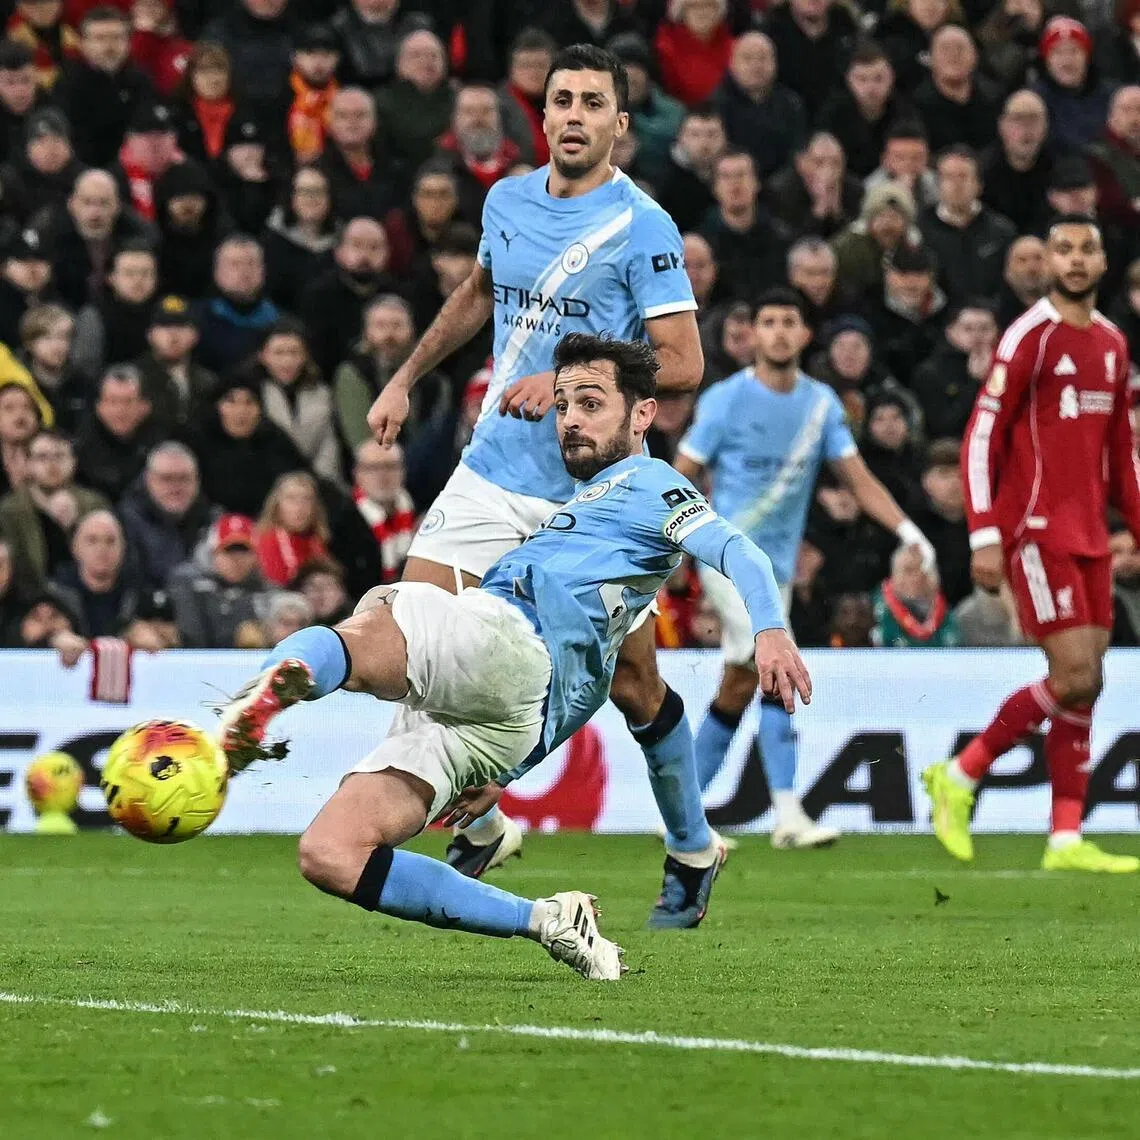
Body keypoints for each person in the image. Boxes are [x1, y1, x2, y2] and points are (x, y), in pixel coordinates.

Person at [216, 332, 807, 979]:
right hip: (514, 714)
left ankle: (254, 705)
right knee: (332, 853)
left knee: (378, 618)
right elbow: (585, 686)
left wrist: (769, 630)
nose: (570, 420)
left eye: (591, 404)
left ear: (642, 414)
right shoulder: (592, 518)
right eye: (564, 406)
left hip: (506, 638)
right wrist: (513, 763)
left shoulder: (648, 482)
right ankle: (548, 920)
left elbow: (738, 550)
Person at [366, 45, 714, 927]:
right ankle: (484, 822)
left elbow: (683, 362)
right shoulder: (506, 202)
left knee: (635, 687)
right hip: (491, 471)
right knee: (409, 640)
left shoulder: (644, 226)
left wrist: (569, 381)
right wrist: (405, 378)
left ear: (619, 124)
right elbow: (479, 294)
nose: (574, 116)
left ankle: (691, 845)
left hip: (592, 496)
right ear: (544, 114)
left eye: (593, 103)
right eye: (562, 100)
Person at [674, 288, 933, 847]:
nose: (779, 331)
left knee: (740, 682)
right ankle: (788, 815)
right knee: (776, 659)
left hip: (778, 569)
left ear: (805, 334)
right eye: (768, 321)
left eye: (789, 321)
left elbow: (858, 479)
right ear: (754, 334)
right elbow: (683, 472)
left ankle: (680, 812)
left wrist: (908, 531)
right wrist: (666, 541)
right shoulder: (724, 400)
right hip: (725, 557)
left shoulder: (821, 405)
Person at [927, 215, 1140, 873]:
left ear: (1103, 263)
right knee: (1075, 675)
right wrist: (985, 533)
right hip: (1036, 531)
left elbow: (1122, 456)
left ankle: (1066, 838)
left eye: (1087, 249)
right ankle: (960, 773)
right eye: (1063, 249)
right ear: (1047, 262)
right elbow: (981, 437)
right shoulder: (1030, 337)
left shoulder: (1112, 344)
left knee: (1086, 686)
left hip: (1091, 536)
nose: (1075, 260)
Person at [334, 294, 449, 455]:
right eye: (380, 326)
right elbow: (360, 440)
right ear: (366, 332)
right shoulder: (353, 373)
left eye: (397, 325)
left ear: (412, 331)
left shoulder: (434, 380)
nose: (389, 335)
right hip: (374, 463)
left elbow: (439, 435)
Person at [190, 376, 307, 519]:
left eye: (250, 402)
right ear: (216, 406)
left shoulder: (275, 441)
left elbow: (304, 481)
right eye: (231, 401)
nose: (241, 411)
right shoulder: (195, 442)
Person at [0, 427, 105, 587]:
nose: (51, 464)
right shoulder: (9, 511)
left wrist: (74, 525)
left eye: (59, 456)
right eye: (42, 457)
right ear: (28, 464)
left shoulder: (95, 505)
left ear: (73, 462)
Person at [299, 216, 400, 381]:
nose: (365, 255)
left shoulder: (397, 294)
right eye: (357, 245)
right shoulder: (318, 296)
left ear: (387, 253)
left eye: (374, 247)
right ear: (339, 252)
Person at [918, 145, 1016, 309]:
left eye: (963, 177)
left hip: (991, 317)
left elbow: (1008, 286)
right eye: (949, 177)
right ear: (938, 184)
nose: (957, 185)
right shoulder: (920, 229)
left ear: (979, 184)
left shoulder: (1002, 231)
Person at [55, 6, 153, 167]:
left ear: (128, 42)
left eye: (116, 37)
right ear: (83, 43)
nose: (109, 46)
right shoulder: (68, 84)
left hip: (137, 167)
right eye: (100, 38)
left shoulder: (141, 81)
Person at [250, 318, 341, 484]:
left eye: (294, 352)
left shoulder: (322, 393)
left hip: (316, 483)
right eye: (278, 353)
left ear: (305, 355)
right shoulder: (251, 393)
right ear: (262, 356)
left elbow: (328, 445)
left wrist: (320, 485)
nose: (287, 361)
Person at [48, 168, 152, 313]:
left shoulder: (141, 234)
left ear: (118, 206)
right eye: (87, 202)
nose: (95, 213)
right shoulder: (50, 233)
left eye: (104, 203)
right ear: (71, 204)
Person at [118, 441, 216, 590]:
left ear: (197, 481)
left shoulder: (213, 521)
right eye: (166, 479)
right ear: (148, 480)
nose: (176, 487)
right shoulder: (124, 522)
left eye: (184, 478)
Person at [167, 511, 271, 648]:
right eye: (229, 551)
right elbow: (193, 637)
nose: (237, 560)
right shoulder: (188, 584)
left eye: (244, 551)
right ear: (212, 553)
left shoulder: (265, 589)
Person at [712, 30, 806, 181]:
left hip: (782, 184)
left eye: (763, 58)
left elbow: (798, 152)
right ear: (732, 64)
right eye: (747, 58)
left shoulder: (791, 103)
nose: (756, 65)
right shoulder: (717, 104)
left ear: (775, 63)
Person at [817, 39, 914, 179]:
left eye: (878, 79)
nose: (870, 88)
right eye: (862, 79)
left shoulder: (904, 112)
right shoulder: (833, 114)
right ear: (849, 80)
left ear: (891, 78)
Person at [73, 363, 162, 502]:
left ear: (145, 407)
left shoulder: (161, 445)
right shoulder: (81, 448)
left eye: (128, 402)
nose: (120, 411)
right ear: (99, 407)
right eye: (112, 401)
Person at [50, 507, 144, 637]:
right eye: (92, 540)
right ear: (74, 547)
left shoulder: (139, 597)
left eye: (110, 541)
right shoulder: (53, 598)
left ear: (123, 548)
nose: (102, 549)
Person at [71, 240, 158, 379]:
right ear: (111, 278)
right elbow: (84, 371)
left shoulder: (164, 313)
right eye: (129, 273)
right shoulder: (95, 315)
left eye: (146, 273)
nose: (138, 280)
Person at [195, 236, 280, 376]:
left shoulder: (279, 321)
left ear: (263, 270)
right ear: (217, 272)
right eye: (235, 264)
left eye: (251, 263)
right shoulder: (196, 320)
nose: (245, 272)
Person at [262, 165, 338, 313]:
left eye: (319, 191)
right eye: (304, 191)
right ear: (291, 197)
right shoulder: (271, 242)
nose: (312, 198)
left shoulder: (342, 243)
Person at [375, 28, 454, 171]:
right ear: (399, 63)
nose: (426, 62)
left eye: (433, 56)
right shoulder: (381, 102)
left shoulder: (458, 99)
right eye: (416, 56)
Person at [135, 293, 216, 430]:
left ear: (195, 335)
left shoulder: (208, 382)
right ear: (150, 335)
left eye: (181, 326)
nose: (173, 335)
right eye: (165, 326)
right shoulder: (134, 378)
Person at [980, 88, 1053, 235]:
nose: (1026, 128)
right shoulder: (981, 171)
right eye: (1018, 119)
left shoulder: (1060, 169)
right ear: (1002, 125)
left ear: (1046, 125)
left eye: (1034, 119)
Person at [352, 438, 416, 583]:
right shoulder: (344, 521)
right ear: (357, 474)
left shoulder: (417, 511)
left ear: (403, 471)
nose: (382, 475)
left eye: (390, 467)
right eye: (373, 468)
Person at [872, 544, 960, 646]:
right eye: (906, 570)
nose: (914, 578)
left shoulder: (946, 616)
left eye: (917, 570)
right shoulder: (875, 612)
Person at [255, 470, 331, 587]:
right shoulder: (265, 542)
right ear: (276, 505)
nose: (299, 507)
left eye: (307, 499)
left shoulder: (318, 542)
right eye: (291, 499)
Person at [285, 24, 340, 165]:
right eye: (310, 53)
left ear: (337, 58)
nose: (319, 62)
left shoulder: (344, 98)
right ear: (295, 57)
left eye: (326, 54)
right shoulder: (281, 96)